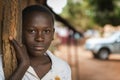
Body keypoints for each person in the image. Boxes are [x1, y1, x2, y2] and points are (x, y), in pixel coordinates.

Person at [0, 5, 71, 80]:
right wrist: (23, 66)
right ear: (20, 32)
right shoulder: (2, 64)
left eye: (46, 31)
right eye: (32, 31)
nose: (39, 38)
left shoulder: (62, 68)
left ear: (53, 34)